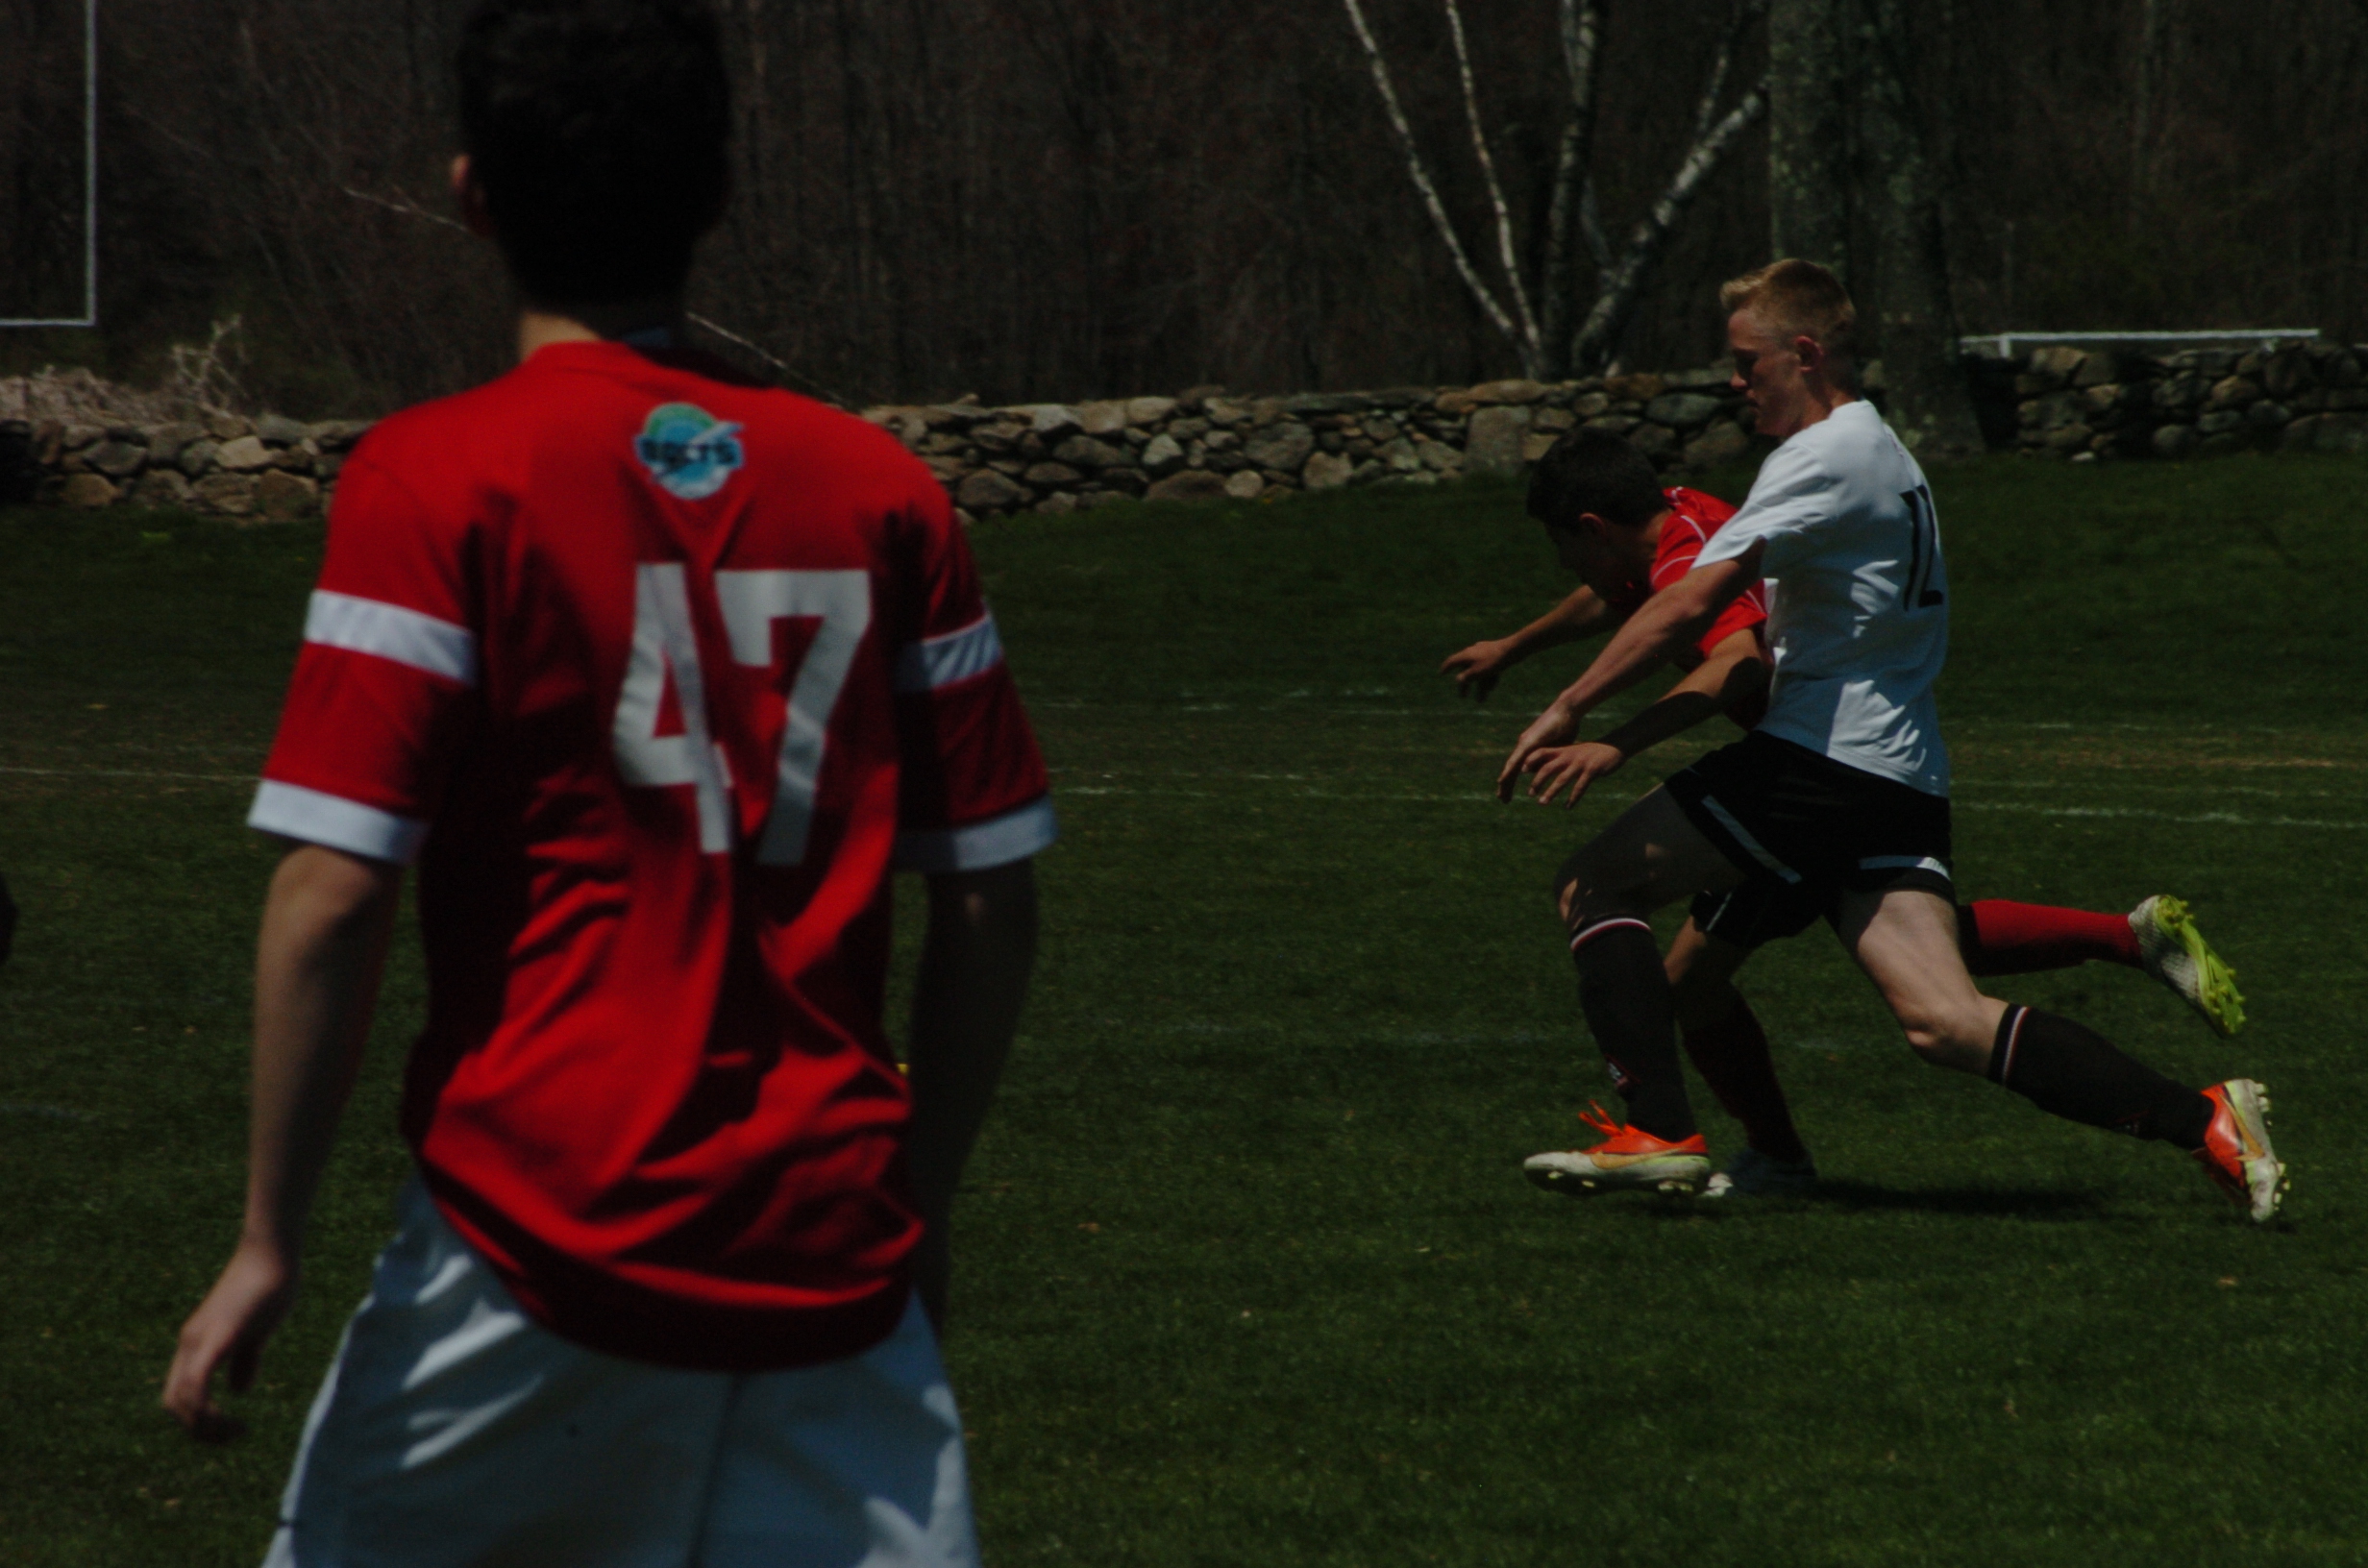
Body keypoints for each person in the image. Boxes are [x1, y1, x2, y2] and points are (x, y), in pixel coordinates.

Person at [161, 3, 1053, 1562]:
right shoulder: (883, 489)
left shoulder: (436, 476)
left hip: (531, 1233)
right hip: (830, 1256)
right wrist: (919, 1198)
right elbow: (986, 891)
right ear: (717, 194)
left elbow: (335, 889)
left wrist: (264, 1239)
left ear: (469, 194)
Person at [1494, 259, 2283, 1220]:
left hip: (1820, 759)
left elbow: (1694, 602)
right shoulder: (1880, 453)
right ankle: (2204, 1119)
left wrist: (1573, 708)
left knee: (1594, 882)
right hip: (1898, 772)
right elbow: (1676, 591)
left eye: (1747, 363)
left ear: (1804, 353)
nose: (1735, 383)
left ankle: (1658, 1130)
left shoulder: (1823, 455)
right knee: (1946, 1022)